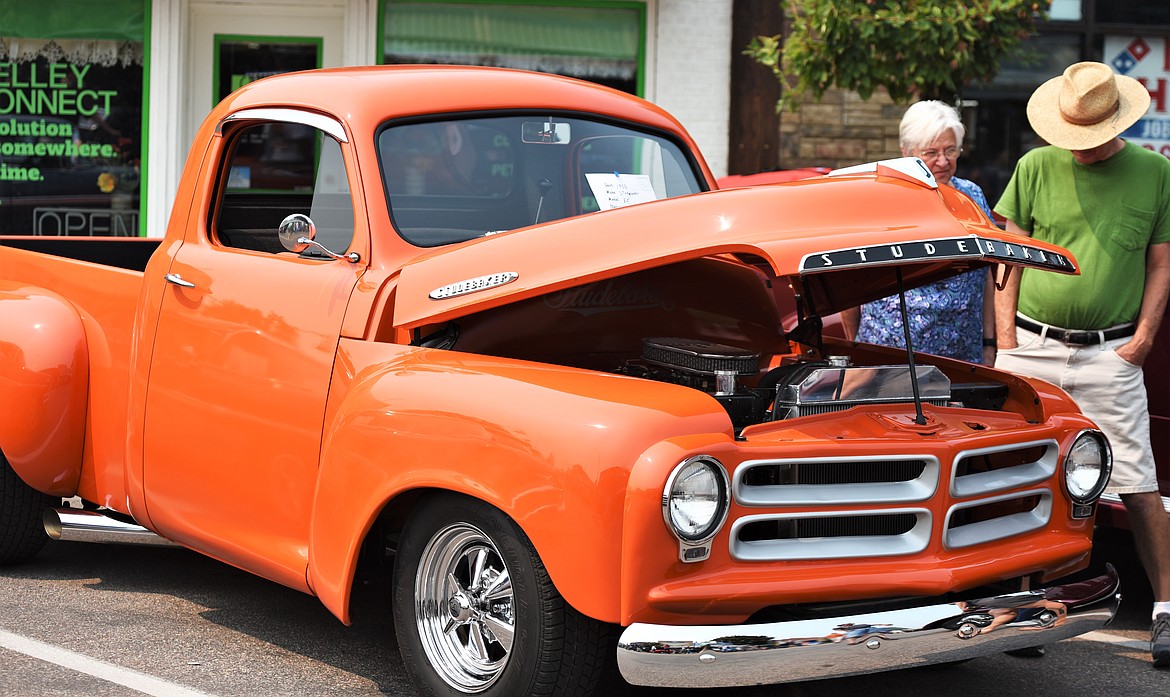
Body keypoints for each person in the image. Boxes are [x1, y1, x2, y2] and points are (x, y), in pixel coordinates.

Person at [992, 61, 1170, 668]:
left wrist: (1142, 340)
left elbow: (1160, 264)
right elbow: (1008, 257)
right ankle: (1027, 603)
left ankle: (1167, 610)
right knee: (1021, 476)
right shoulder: (1035, 166)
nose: (1076, 147)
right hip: (1032, 345)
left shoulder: (1154, 173)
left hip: (1110, 351)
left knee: (1139, 484)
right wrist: (1005, 339)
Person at [841, 100, 997, 364]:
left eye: (951, 150)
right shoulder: (878, 200)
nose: (943, 161)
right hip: (889, 358)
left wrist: (989, 343)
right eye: (930, 152)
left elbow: (987, 274)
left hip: (963, 360)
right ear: (906, 152)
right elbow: (847, 280)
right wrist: (855, 347)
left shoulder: (972, 196)